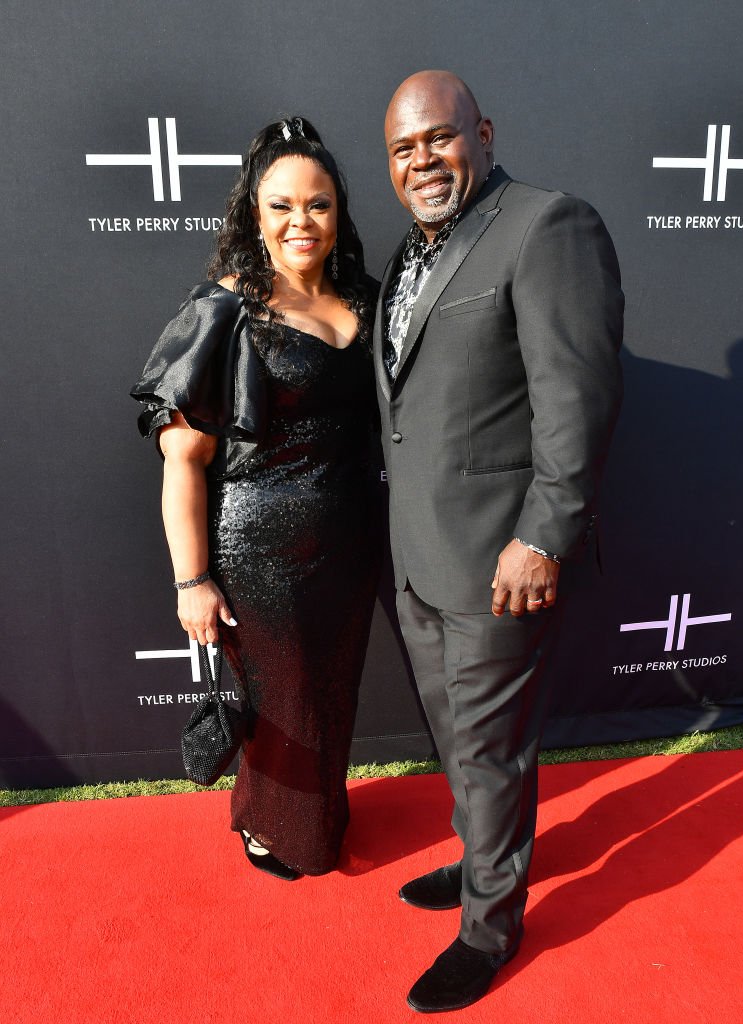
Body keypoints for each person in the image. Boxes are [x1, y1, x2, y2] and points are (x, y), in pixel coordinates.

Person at [375, 71, 624, 1012]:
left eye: (439, 138)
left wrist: (543, 538)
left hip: (499, 563)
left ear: (481, 131)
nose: (423, 161)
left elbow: (578, 402)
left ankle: (490, 926)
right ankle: (487, 860)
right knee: (459, 741)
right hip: (421, 558)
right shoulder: (412, 254)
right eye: (403, 149)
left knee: (488, 748)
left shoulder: (545, 225)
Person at [131, 117, 380, 880]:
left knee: (332, 693)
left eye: (318, 204)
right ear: (253, 214)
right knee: (284, 704)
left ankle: (316, 816)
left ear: (339, 212)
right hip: (259, 551)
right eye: (281, 205)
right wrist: (192, 579)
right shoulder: (228, 309)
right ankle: (270, 826)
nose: (300, 222)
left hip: (351, 544)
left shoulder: (366, 300)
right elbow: (183, 458)